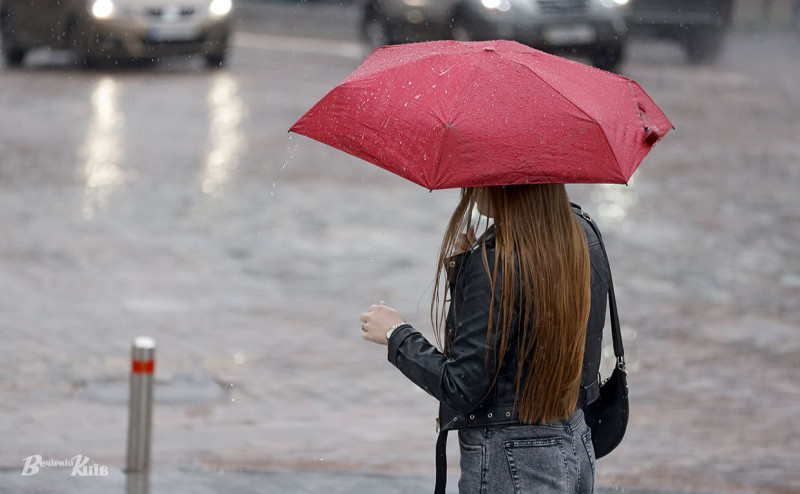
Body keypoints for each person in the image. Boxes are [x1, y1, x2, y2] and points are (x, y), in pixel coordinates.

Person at [360, 184, 611, 493]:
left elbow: (460, 385)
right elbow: (529, 334)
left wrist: (395, 334)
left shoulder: (498, 258)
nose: (471, 187)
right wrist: (467, 271)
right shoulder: (581, 231)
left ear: (506, 184)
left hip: (512, 461)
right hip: (576, 441)